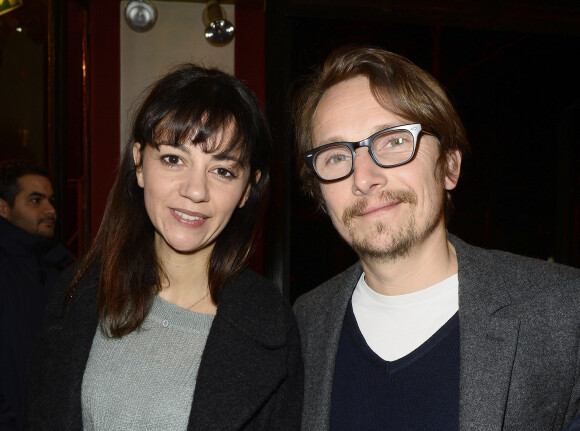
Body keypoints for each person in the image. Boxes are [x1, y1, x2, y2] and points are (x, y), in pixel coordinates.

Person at [292, 45, 580, 430]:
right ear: (321, 195)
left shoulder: (562, 312)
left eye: (393, 141)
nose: (363, 178)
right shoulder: (301, 326)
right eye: (336, 156)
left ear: (449, 167)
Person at [24, 64, 303, 430]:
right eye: (173, 159)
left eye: (223, 171)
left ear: (247, 189)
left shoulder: (274, 328)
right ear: (140, 163)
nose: (195, 191)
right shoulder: (78, 292)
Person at [0, 160, 74, 430]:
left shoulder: (62, 267)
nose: (50, 210)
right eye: (35, 200)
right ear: (3, 208)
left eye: (51, 201)